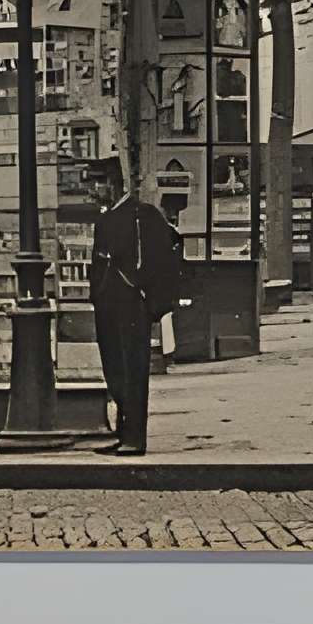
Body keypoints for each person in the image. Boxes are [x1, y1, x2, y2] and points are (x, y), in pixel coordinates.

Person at [88, 159, 184, 457]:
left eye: (99, 182)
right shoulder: (105, 219)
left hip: (132, 305)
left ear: (114, 184)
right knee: (114, 369)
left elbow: (163, 259)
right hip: (108, 306)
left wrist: (145, 295)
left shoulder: (143, 215)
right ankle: (123, 433)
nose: (94, 189)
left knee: (133, 370)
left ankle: (135, 438)